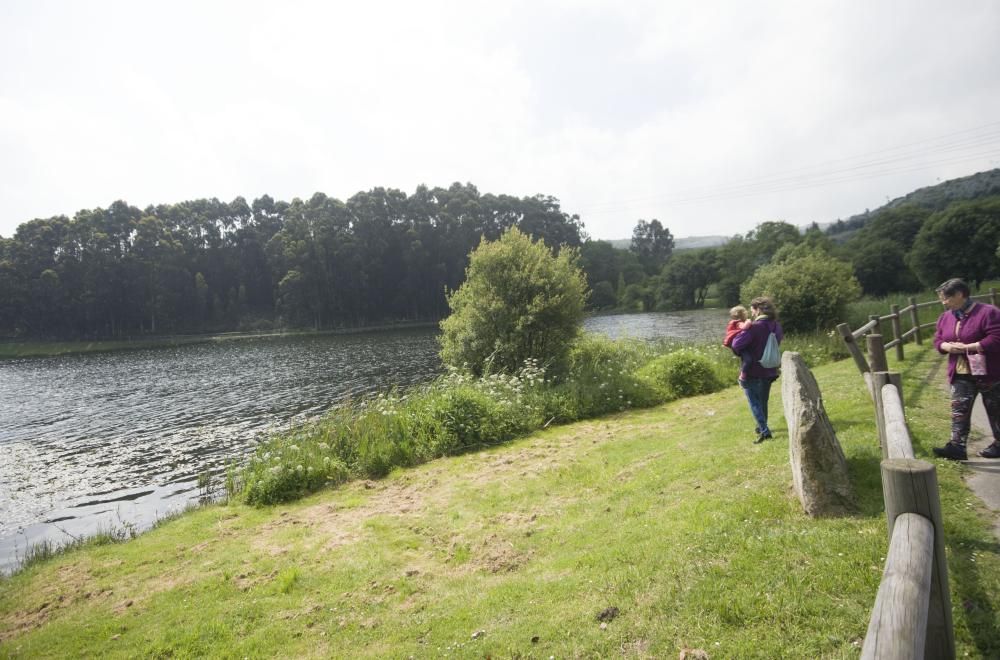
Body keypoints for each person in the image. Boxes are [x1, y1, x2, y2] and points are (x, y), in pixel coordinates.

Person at [932, 278, 1000, 461]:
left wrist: (969, 347)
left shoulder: (989, 313)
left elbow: (996, 338)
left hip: (990, 372)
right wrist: (946, 346)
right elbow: (937, 340)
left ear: (960, 294)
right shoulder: (946, 317)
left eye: (946, 298)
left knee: (996, 410)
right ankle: (957, 447)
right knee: (959, 409)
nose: (944, 302)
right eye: (942, 299)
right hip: (961, 373)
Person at [731, 296, 783, 444]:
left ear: (758, 310)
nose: (752, 313)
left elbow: (736, 344)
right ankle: (761, 427)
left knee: (754, 402)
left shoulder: (754, 327)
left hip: (753, 370)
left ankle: (764, 430)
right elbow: (777, 342)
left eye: (753, 310)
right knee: (763, 401)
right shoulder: (777, 326)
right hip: (770, 370)